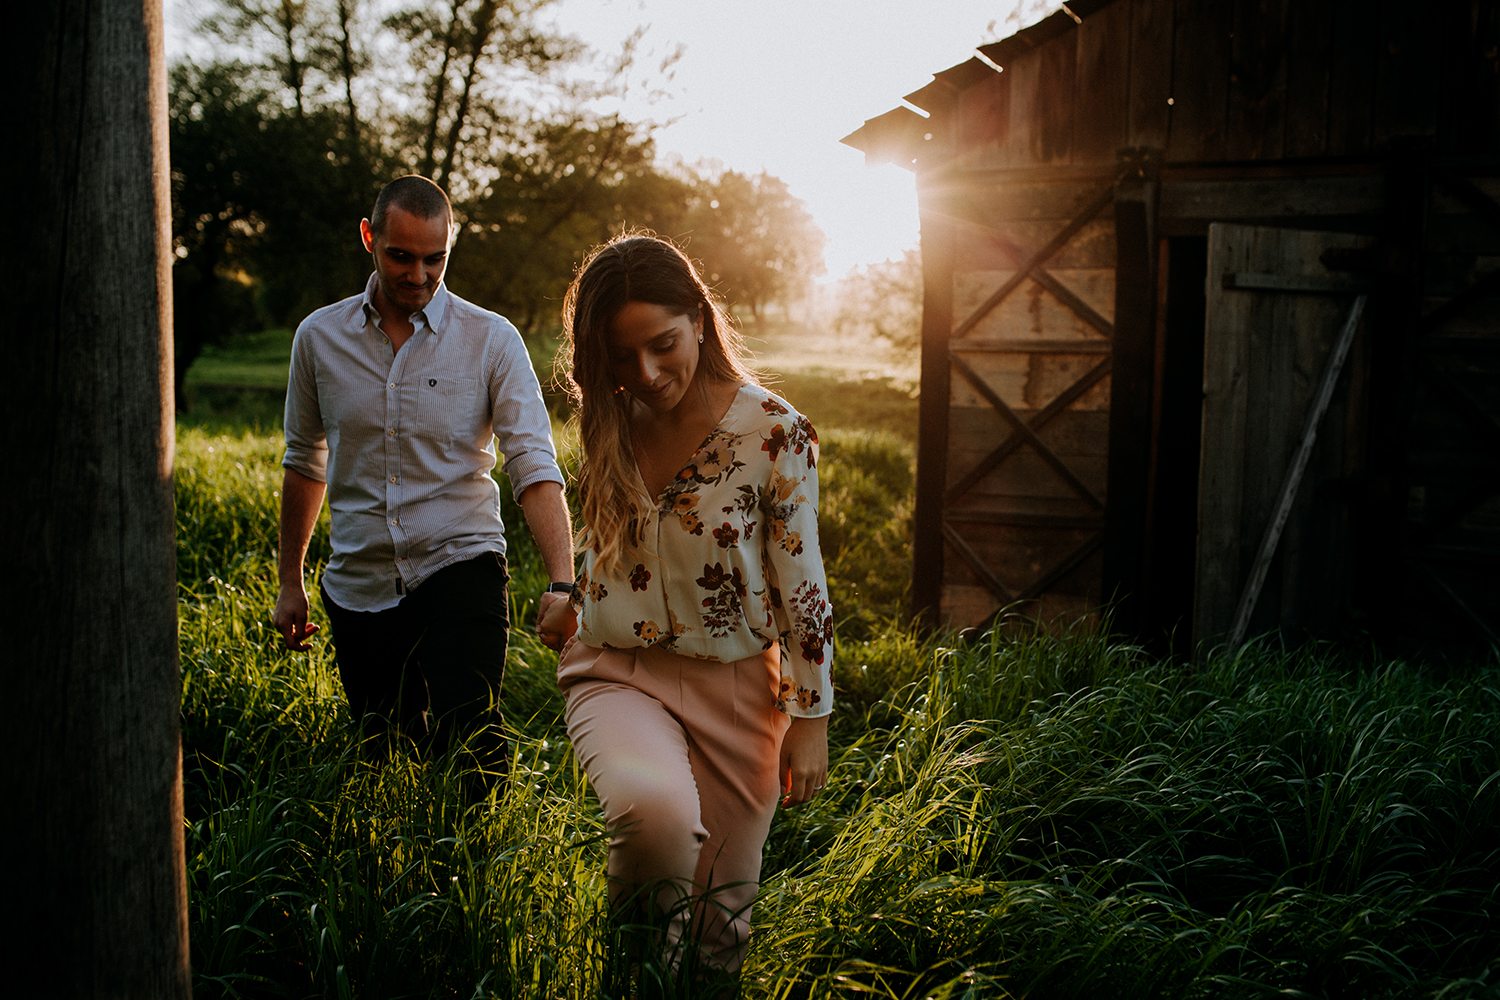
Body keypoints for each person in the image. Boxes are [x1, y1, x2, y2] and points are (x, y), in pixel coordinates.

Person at [539, 234, 834, 988]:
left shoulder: (775, 432)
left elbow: (803, 583)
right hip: (618, 671)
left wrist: (811, 718)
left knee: (715, 924)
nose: (646, 373)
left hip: (738, 691)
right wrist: (570, 592)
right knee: (655, 821)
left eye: (662, 345)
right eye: (621, 356)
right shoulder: (612, 417)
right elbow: (614, 542)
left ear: (700, 320)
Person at [273, 175, 576, 790]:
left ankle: (484, 872)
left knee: (473, 740)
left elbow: (532, 463)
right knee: (385, 752)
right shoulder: (319, 339)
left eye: (435, 258)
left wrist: (564, 582)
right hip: (359, 580)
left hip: (460, 558)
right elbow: (306, 459)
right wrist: (289, 582)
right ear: (369, 238)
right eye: (401, 256)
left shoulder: (491, 341)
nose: (419, 274)